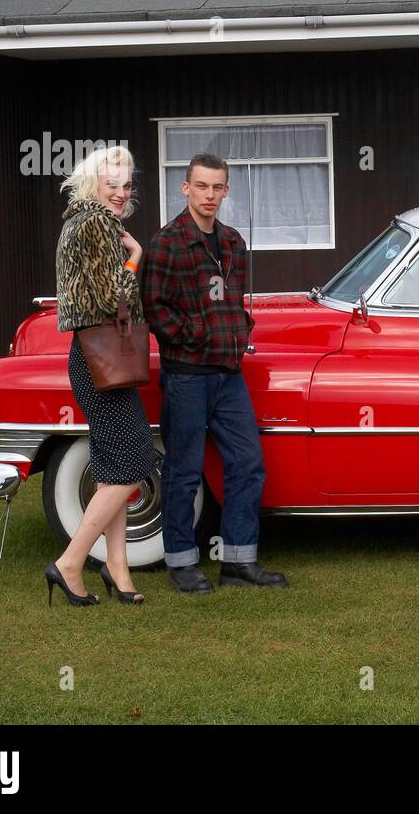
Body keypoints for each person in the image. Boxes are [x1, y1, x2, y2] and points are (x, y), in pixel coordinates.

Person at [140, 151, 287, 593]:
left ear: (226, 190)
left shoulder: (234, 244)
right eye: (201, 186)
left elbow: (235, 301)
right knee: (183, 471)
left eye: (217, 187)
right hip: (186, 375)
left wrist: (239, 330)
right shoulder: (166, 244)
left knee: (247, 463)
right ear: (185, 188)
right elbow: (154, 308)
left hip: (228, 374)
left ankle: (240, 562)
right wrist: (193, 338)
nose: (209, 195)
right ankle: (182, 564)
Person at [47, 145, 156, 606]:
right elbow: (115, 298)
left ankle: (118, 568)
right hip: (101, 359)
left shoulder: (83, 221)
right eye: (112, 183)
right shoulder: (95, 224)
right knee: (133, 464)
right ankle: (71, 562)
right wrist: (136, 257)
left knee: (114, 464)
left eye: (127, 185)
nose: (121, 192)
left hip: (94, 358)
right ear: (94, 183)